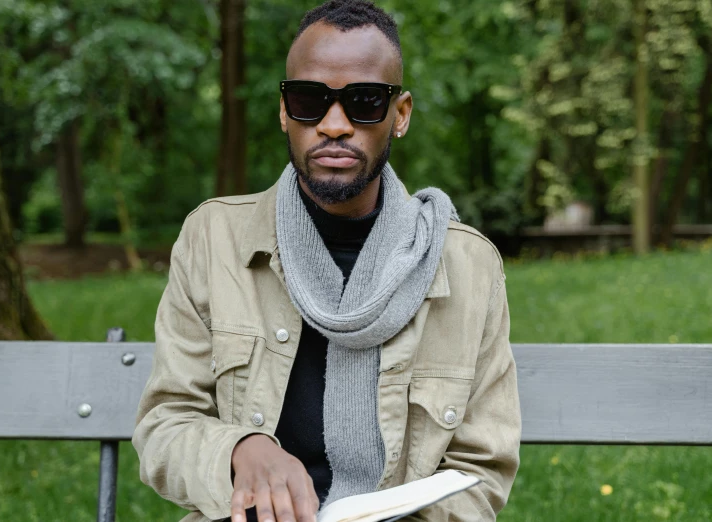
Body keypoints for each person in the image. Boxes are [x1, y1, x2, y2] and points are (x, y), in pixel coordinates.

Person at [132, 1, 521, 521]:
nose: (334, 125)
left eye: (363, 102)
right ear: (283, 111)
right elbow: (166, 424)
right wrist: (240, 450)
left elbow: (478, 473)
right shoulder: (213, 238)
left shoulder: (469, 265)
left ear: (400, 115)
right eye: (308, 100)